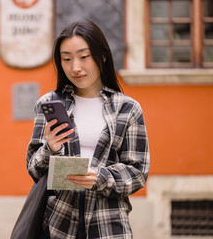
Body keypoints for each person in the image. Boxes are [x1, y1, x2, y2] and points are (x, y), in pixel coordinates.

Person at [26, 19, 150, 239]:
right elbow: (33, 169)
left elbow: (138, 172)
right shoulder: (50, 104)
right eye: (66, 59)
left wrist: (99, 178)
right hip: (58, 225)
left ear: (102, 55)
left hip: (109, 226)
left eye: (84, 57)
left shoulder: (128, 108)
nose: (75, 67)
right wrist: (49, 149)